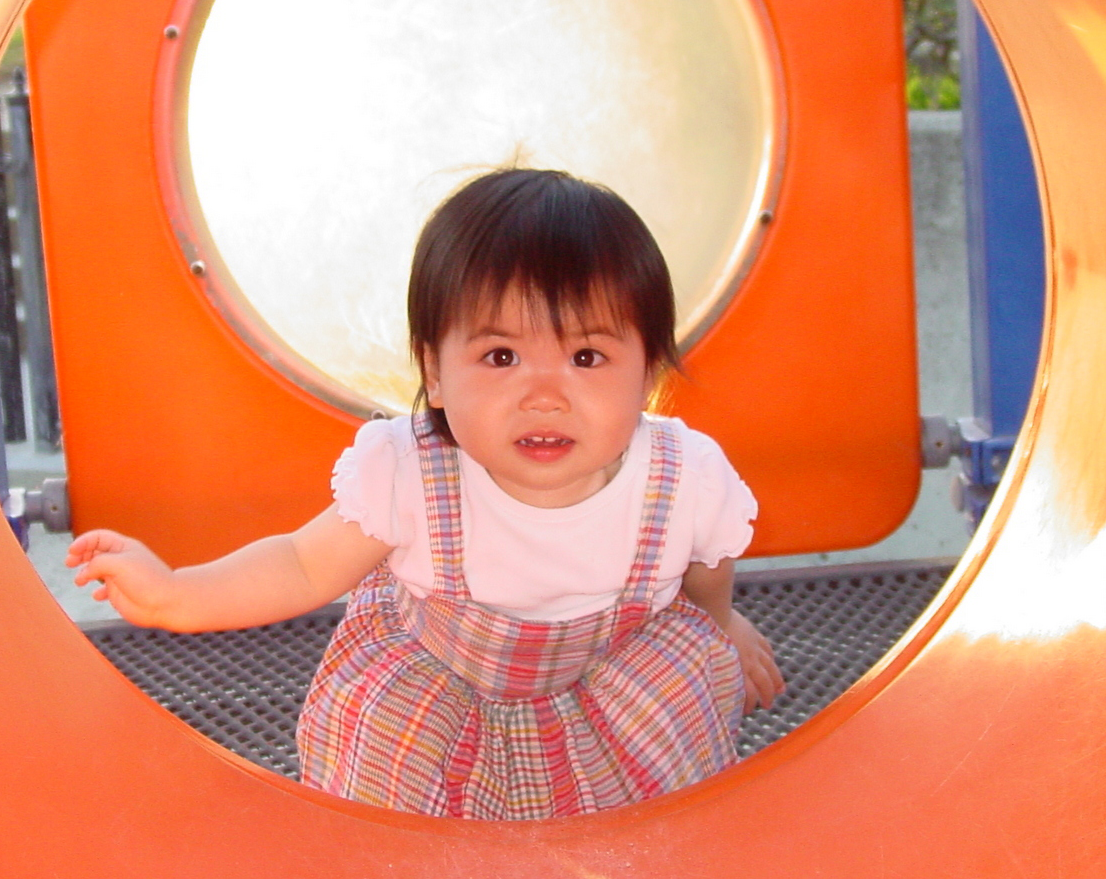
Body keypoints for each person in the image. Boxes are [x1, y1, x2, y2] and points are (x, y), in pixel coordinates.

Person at [67, 168, 785, 819]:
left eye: (587, 356)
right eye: (500, 356)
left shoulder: (682, 475)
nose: (544, 395)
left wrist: (721, 629)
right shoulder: (408, 472)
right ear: (434, 374)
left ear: (649, 372)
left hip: (616, 691)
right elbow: (300, 564)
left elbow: (706, 571)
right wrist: (176, 592)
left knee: (669, 783)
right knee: (389, 807)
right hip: (437, 699)